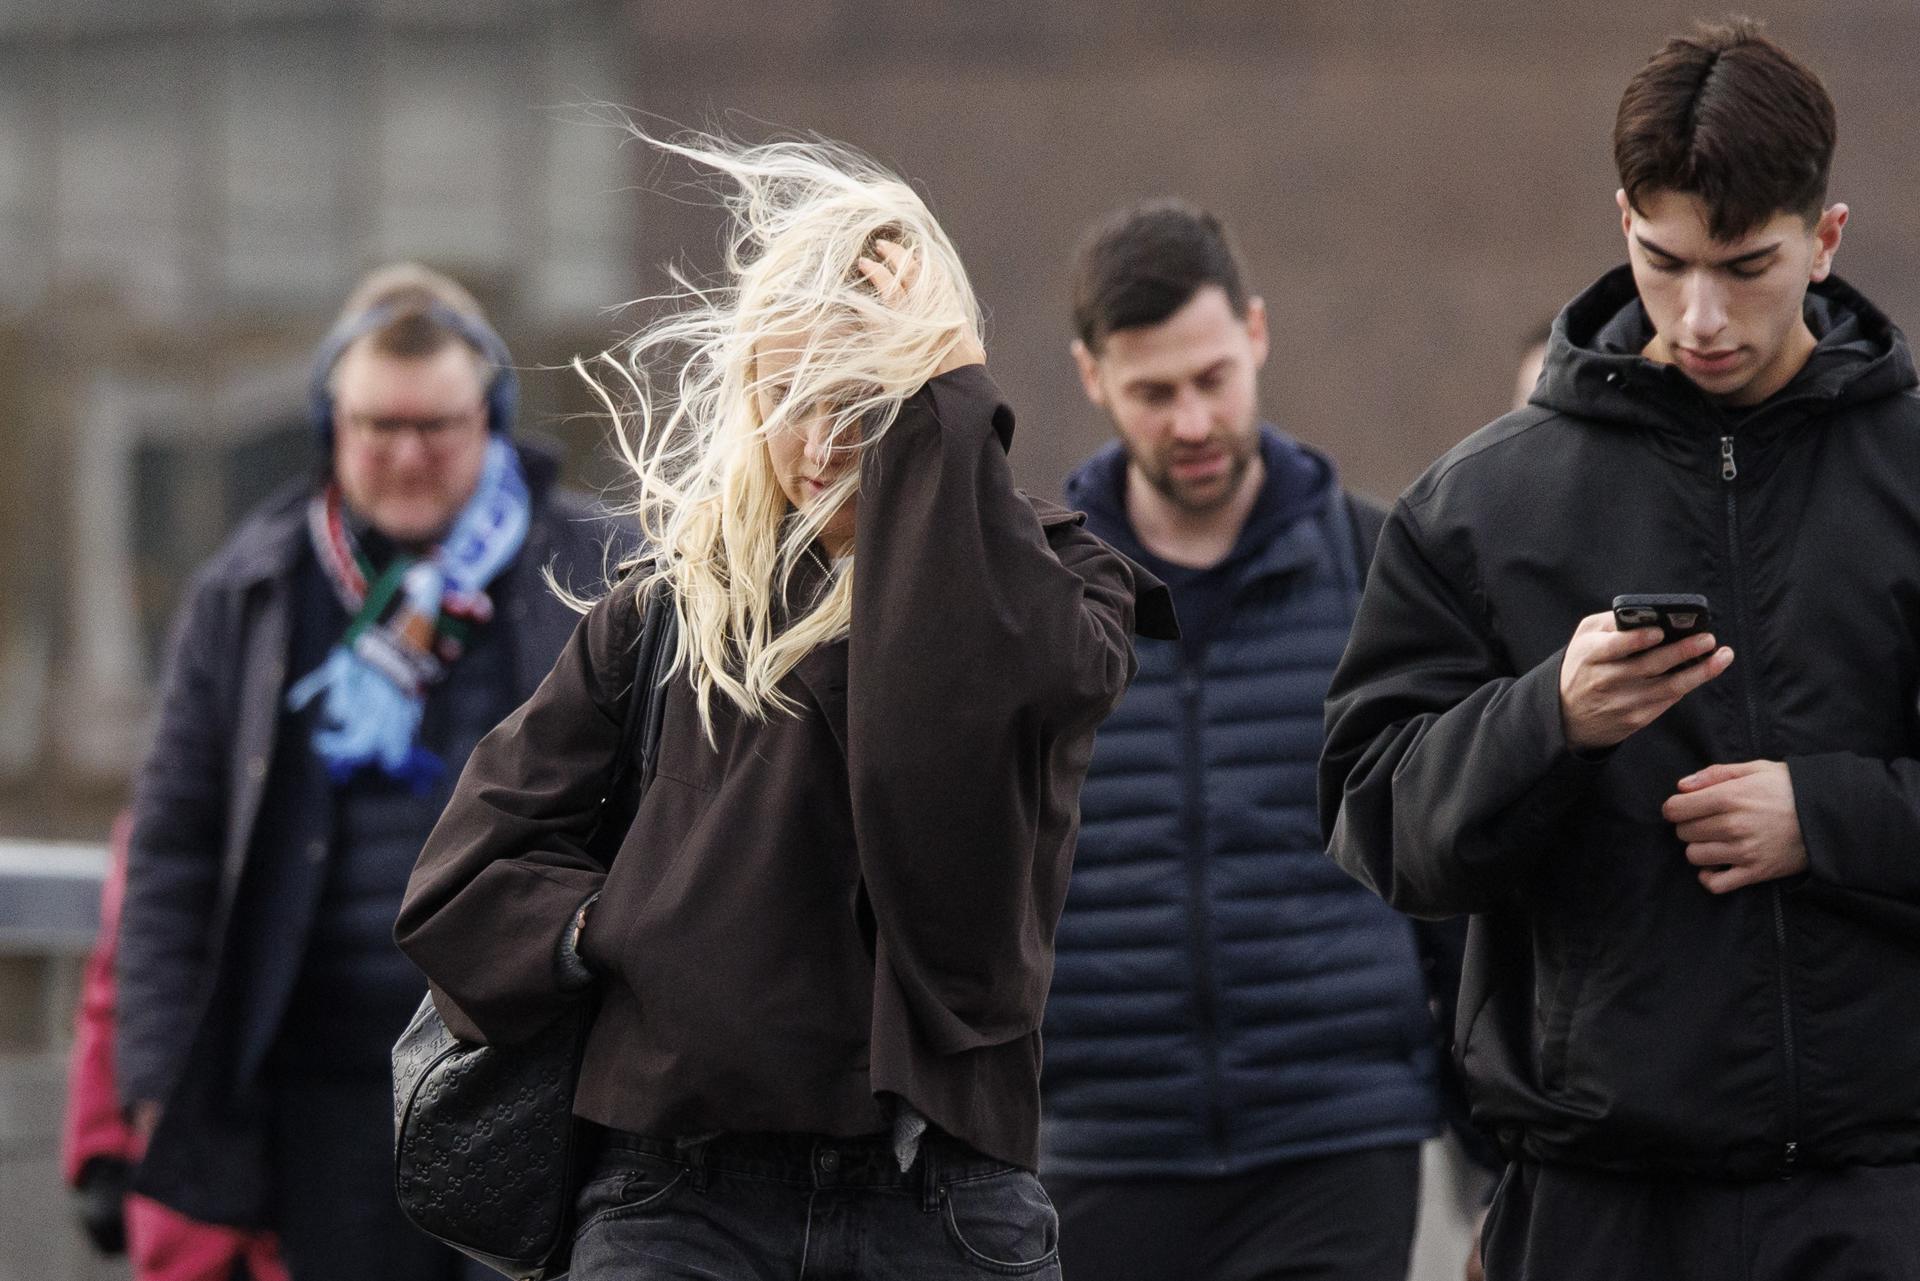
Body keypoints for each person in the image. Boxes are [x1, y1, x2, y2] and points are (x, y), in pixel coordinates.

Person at [394, 133, 1173, 1281]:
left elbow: (987, 687)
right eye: (788, 394)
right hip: (679, 1197)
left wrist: (952, 398)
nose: (816, 442)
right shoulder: (671, 609)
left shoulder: (1058, 584)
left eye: (863, 401)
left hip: (939, 1199)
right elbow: (462, 879)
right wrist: (624, 929)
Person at [1320, 19, 1920, 1281]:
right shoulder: (1482, 506)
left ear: (1827, 239)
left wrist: (1831, 815)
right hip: (1597, 1205)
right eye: (1662, 260)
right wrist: (1549, 719)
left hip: (1876, 1194)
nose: (1700, 315)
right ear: (1622, 225)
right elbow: (1377, 822)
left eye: (1745, 267)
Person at [116, 263, 619, 1280]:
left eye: (436, 426)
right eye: (377, 427)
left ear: (492, 419)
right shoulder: (254, 591)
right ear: (329, 427)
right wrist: (160, 1075)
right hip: (326, 1090)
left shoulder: (597, 571)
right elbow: (173, 849)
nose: (406, 454)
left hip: (539, 1067)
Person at [1041, 198, 1451, 1281]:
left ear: (1257, 335)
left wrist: (1494, 1144)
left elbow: (1448, 867)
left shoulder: (1378, 569)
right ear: (1092, 377)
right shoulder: (1035, 603)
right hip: (1100, 1154)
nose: (1191, 420)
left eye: (1213, 378)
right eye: (1153, 391)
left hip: (1338, 1145)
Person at [64, 814, 288, 1281]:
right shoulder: (175, 811)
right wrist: (101, 1150)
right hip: (186, 1181)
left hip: (305, 1170)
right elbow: (119, 988)